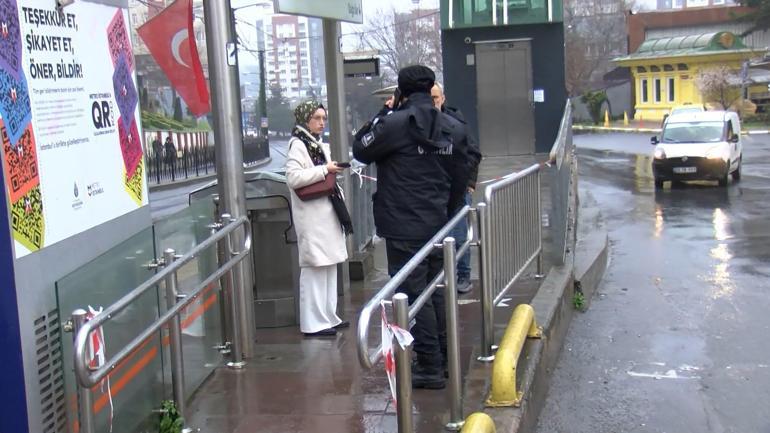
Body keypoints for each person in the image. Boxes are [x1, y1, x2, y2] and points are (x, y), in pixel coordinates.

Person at [353, 65, 470, 389]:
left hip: (403, 223)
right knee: (434, 291)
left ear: (400, 93)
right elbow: (461, 174)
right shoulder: (452, 127)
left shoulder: (393, 125)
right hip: (436, 220)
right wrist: (446, 210)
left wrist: (383, 112)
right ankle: (444, 358)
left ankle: (431, 364)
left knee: (414, 293)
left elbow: (360, 148)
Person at [285, 100, 354, 337]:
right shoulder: (298, 144)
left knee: (328, 265)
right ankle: (313, 322)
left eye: (323, 118)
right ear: (305, 119)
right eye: (317, 118)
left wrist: (328, 170)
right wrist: (326, 170)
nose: (321, 122)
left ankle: (327, 317)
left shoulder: (314, 142)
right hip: (313, 216)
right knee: (315, 267)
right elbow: (293, 178)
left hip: (326, 212)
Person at [431, 83, 482, 294]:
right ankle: (444, 276)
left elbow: (473, 153)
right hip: (434, 191)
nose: (432, 101)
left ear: (442, 98)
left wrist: (469, 183)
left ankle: (463, 275)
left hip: (457, 188)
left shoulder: (456, 123)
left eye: (435, 97)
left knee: (459, 234)